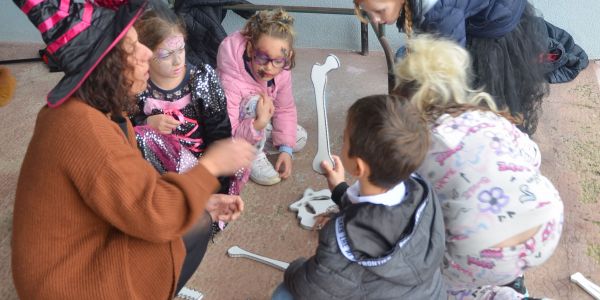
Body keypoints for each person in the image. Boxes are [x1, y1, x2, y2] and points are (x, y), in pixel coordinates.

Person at [10, 0, 255, 299]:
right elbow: (154, 214)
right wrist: (211, 167)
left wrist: (197, 198)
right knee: (194, 225)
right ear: (106, 66)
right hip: (68, 283)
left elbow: (136, 188)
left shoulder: (95, 110)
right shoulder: (83, 128)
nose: (146, 54)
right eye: (132, 48)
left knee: (196, 215)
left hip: (84, 247)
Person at [393, 35, 564, 299]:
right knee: (503, 206)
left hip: (481, 252)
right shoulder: (488, 117)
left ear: (407, 100)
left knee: (441, 285)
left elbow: (403, 206)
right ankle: (514, 281)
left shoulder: (420, 145)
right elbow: (533, 157)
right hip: (546, 222)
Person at [272, 94, 446, 299]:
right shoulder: (422, 191)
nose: (342, 140)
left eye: (344, 138)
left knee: (283, 294)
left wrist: (295, 268)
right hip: (429, 293)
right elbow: (374, 217)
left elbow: (313, 289)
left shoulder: (340, 240)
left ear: (358, 166)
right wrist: (340, 190)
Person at [353, 0, 552, 135]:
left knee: (480, 96)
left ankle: (488, 143)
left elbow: (449, 72)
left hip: (494, 23)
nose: (374, 19)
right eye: (365, 11)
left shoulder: (440, 13)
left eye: (379, 10)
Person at [131, 8, 245, 197]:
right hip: (160, 166)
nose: (177, 61)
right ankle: (160, 196)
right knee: (140, 137)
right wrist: (146, 123)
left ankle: (192, 192)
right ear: (145, 53)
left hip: (202, 162)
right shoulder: (139, 84)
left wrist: (219, 186)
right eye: (166, 54)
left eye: (181, 49)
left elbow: (219, 132)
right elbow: (122, 126)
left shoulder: (200, 79)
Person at [217, 8, 307, 187]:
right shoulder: (231, 78)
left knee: (298, 139)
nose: (269, 68)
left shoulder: (281, 72)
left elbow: (285, 108)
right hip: (234, 132)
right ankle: (252, 156)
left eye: (278, 61)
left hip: (257, 121)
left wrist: (285, 150)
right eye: (262, 58)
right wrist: (258, 123)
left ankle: (263, 137)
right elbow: (228, 129)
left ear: (287, 56)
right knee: (256, 102)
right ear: (250, 49)